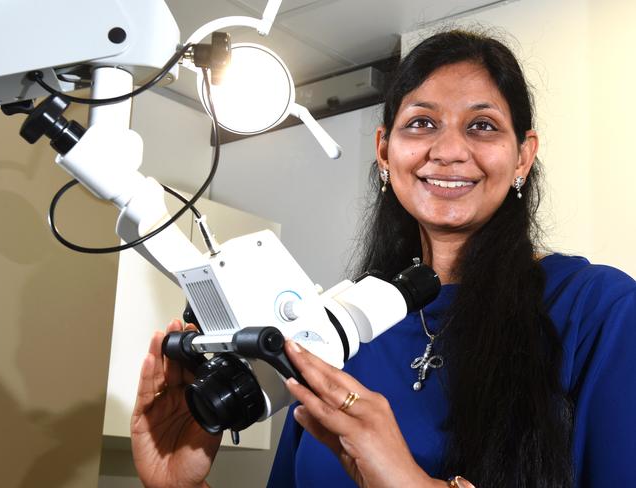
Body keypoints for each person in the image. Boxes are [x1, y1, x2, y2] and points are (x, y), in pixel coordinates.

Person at [130, 30, 636, 487]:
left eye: (482, 126)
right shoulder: (336, 324)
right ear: (384, 151)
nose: (449, 150)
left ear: (523, 156)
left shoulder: (600, 311)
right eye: (421, 123)